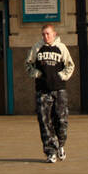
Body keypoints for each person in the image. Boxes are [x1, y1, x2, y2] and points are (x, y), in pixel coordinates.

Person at [26, 23, 75, 163]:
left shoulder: (61, 48)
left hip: (59, 90)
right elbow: (28, 64)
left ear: (54, 34)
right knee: (44, 121)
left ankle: (61, 145)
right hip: (42, 90)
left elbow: (70, 65)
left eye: (48, 33)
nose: (46, 36)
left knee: (61, 120)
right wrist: (36, 73)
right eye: (43, 34)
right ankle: (50, 151)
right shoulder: (37, 48)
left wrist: (62, 76)